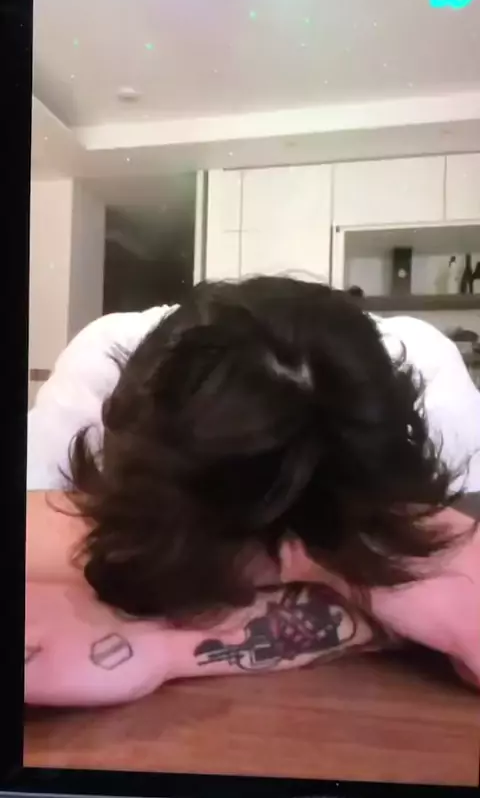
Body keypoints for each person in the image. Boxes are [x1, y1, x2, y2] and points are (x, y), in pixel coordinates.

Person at [26, 276, 480, 704]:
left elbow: (459, 608)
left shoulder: (430, 381)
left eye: (303, 544)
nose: (269, 570)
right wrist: (360, 588)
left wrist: (163, 646)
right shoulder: (99, 365)